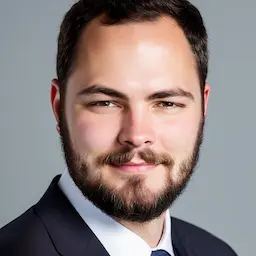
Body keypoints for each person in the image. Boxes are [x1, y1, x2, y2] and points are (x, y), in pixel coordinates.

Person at [0, 0, 238, 255]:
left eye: (167, 103)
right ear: (58, 107)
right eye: (106, 103)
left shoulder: (215, 251)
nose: (136, 135)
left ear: (203, 107)